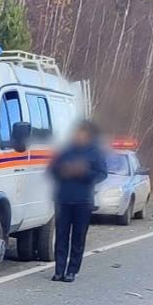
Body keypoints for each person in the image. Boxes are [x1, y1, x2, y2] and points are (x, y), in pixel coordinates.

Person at [49, 120, 107, 281]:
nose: (79, 136)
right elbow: (52, 170)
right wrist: (63, 170)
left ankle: (71, 271)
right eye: (77, 133)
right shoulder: (65, 151)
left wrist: (84, 173)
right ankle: (59, 270)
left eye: (82, 133)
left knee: (78, 237)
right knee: (61, 236)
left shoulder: (94, 153)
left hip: (83, 200)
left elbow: (102, 174)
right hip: (63, 199)